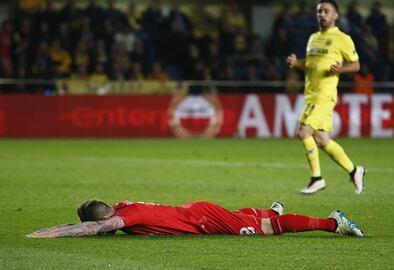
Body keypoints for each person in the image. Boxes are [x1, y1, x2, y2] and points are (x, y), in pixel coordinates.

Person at [286, 0, 366, 195]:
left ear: (335, 15)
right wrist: (297, 63)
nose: (322, 14)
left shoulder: (342, 38)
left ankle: (317, 178)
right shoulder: (313, 38)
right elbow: (311, 64)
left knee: (303, 133)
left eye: (326, 11)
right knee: (321, 140)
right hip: (311, 93)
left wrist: (341, 69)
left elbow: (356, 65)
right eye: (319, 11)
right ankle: (355, 170)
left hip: (324, 94)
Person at [26, 198, 363, 238]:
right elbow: (99, 220)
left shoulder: (126, 218)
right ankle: (268, 209)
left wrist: (50, 233)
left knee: (265, 231)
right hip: (196, 211)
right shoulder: (124, 204)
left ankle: (333, 222)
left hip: (201, 220)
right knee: (246, 217)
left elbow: (95, 227)